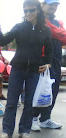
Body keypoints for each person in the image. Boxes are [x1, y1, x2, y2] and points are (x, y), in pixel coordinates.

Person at [0, 0, 52, 138]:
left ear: (38, 10)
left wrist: (48, 64)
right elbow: (3, 41)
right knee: (12, 101)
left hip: (34, 70)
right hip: (17, 68)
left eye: (31, 10)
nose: (28, 13)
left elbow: (50, 51)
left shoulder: (45, 29)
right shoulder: (19, 27)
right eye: (25, 11)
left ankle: (24, 130)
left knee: (29, 101)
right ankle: (7, 131)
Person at [31, 0, 64, 131]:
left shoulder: (57, 22)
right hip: (42, 59)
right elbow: (57, 33)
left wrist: (60, 30)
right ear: (43, 6)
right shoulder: (40, 20)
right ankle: (33, 118)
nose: (53, 7)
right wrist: (60, 31)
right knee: (40, 89)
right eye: (50, 4)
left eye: (55, 5)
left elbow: (63, 37)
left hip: (56, 60)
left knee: (53, 90)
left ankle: (45, 119)